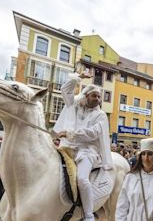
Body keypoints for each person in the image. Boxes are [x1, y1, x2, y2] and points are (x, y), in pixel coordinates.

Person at [54, 72, 113, 221]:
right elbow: (65, 91)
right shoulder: (74, 105)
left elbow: (93, 133)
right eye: (95, 96)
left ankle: (88, 215)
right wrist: (76, 78)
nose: (98, 99)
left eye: (99, 97)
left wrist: (70, 133)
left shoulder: (100, 115)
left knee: (82, 179)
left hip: (87, 151)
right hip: (67, 147)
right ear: (86, 95)